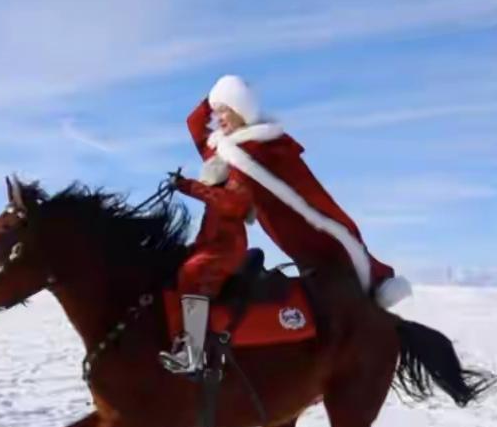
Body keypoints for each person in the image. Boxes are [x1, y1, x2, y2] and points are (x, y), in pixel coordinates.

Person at [185, 75, 411, 309]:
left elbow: (236, 200)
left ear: (241, 111)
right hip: (283, 231)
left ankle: (368, 292)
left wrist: (189, 186)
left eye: (225, 111)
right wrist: (216, 94)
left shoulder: (259, 150)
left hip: (298, 228)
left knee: (332, 265)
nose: (218, 118)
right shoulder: (229, 148)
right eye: (216, 111)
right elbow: (196, 125)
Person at [159, 159, 253, 374]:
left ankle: (194, 355)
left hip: (226, 253)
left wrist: (186, 185)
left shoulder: (231, 195)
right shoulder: (214, 203)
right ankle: (179, 340)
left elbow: (225, 202)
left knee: (192, 272)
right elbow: (205, 238)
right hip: (213, 251)